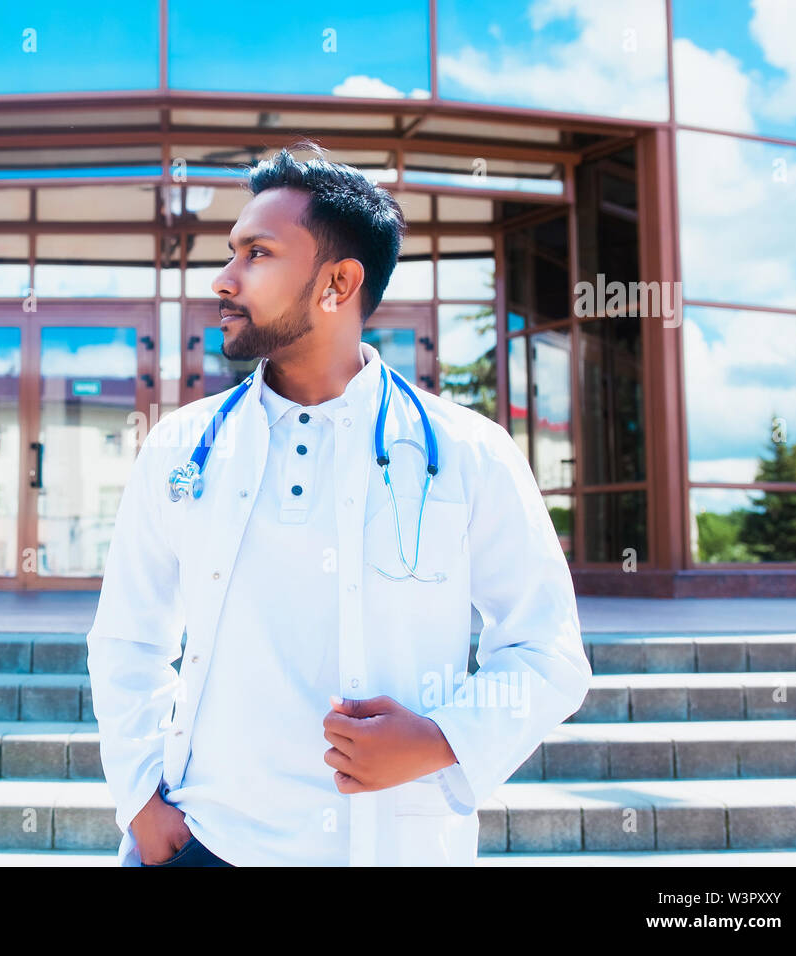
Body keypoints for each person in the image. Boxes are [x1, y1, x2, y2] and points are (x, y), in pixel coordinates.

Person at [85, 141, 591, 867]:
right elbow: (129, 637)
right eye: (231, 252)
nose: (224, 279)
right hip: (201, 844)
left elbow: (548, 651)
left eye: (256, 254)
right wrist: (141, 804)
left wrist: (444, 740)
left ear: (336, 284)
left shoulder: (467, 453)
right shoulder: (181, 447)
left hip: (386, 845)